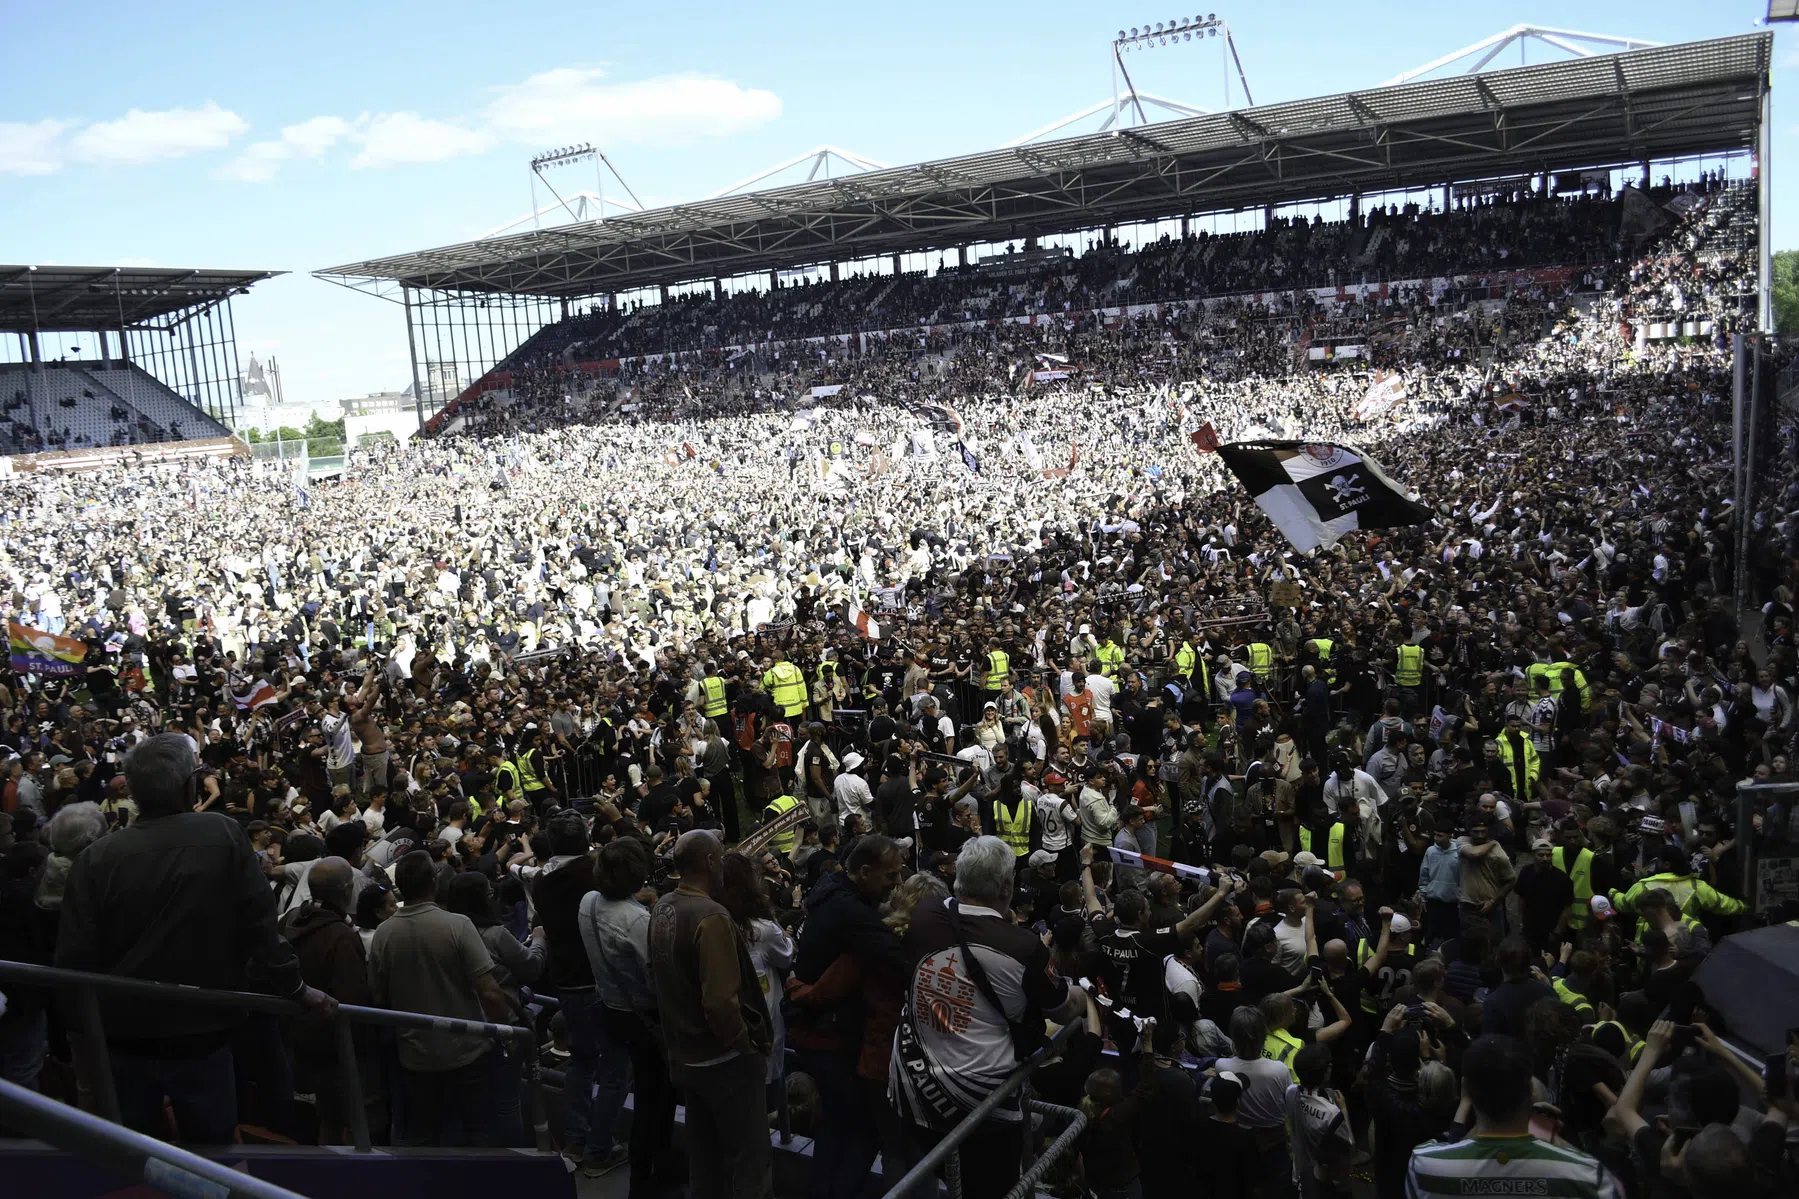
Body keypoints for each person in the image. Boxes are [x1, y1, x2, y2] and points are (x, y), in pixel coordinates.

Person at [55, 733, 335, 1144]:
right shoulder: (222, 834)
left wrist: (82, 1039)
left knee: (137, 1157)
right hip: (201, 1031)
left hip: (121, 1034)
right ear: (189, 786)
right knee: (212, 1158)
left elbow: (74, 960)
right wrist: (296, 989)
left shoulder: (95, 858)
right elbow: (261, 929)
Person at [890, 836, 1088, 1199]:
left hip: (913, 1090)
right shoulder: (1023, 946)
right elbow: (1064, 1008)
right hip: (982, 1109)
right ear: (1007, 887)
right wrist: (1082, 994)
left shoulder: (924, 915)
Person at [650, 829, 774, 1199]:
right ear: (708, 862)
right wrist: (745, 1046)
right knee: (750, 1162)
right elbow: (720, 1003)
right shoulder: (712, 916)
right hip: (724, 1061)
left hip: (685, 1058)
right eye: (719, 857)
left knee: (704, 1158)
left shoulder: (663, 906)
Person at [366, 849, 518, 1147]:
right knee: (477, 1132)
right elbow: (489, 991)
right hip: (467, 1049)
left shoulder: (384, 934)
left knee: (426, 1136)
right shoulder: (457, 925)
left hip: (415, 1055)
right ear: (434, 883)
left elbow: (378, 994)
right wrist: (506, 1033)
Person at [579, 836, 676, 1199]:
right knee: (656, 1100)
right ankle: (650, 1177)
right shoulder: (638, 922)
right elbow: (655, 978)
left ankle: (653, 1170)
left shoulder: (588, 903)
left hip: (611, 1009)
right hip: (643, 1019)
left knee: (648, 1092)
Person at [1406, 1034, 1619, 1199]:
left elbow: (1458, 1147)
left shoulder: (1425, 1165)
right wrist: (1554, 1136)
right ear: (1530, 1091)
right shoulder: (1588, 1175)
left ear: (1466, 1090)